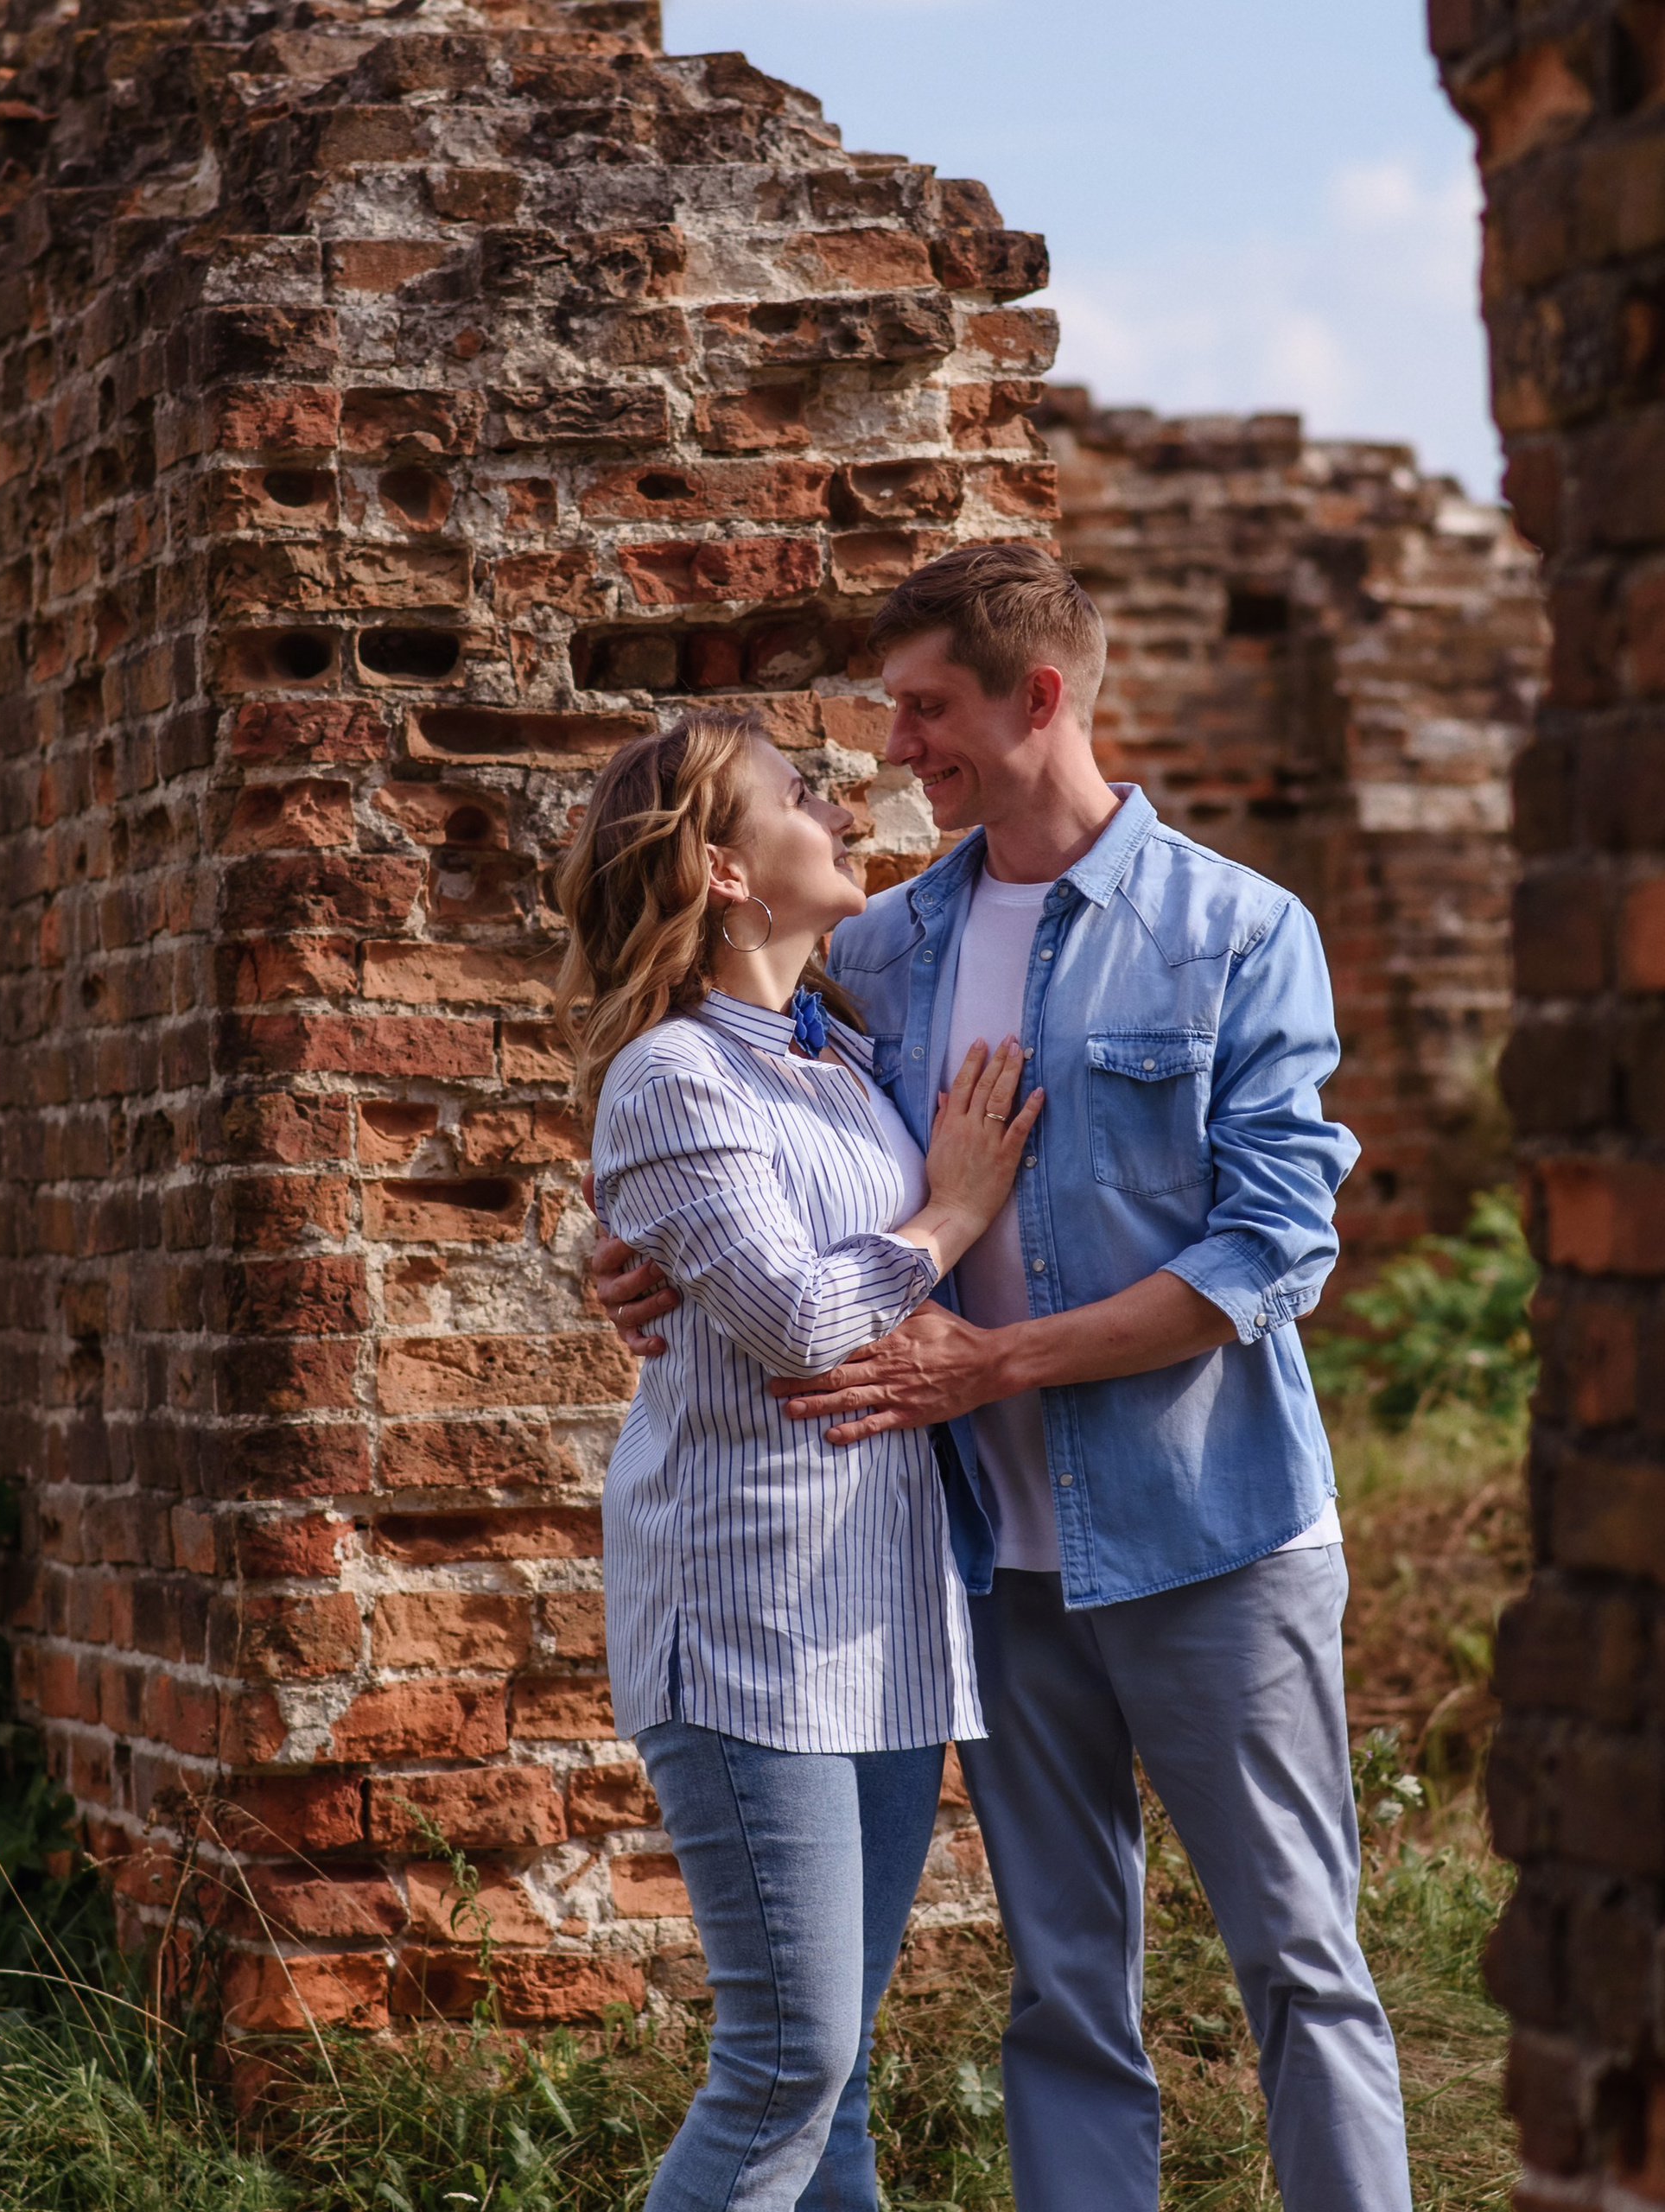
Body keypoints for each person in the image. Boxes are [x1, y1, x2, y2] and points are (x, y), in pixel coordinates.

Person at [591, 547, 1414, 2211]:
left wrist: (996, 1361)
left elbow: (1275, 1255)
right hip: (995, 1574)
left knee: (1303, 1974)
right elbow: (748, 1143)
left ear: (1039, 699)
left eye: (928, 709)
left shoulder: (1241, 931)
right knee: (1064, 1999)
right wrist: (622, 1248)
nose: (899, 750)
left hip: (1217, 1540)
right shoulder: (883, 954)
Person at [557, 706, 1043, 2212]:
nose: (836, 802)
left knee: (829, 2079)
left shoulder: (837, 1058)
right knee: (783, 2060)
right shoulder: (672, 1074)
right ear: (722, 870)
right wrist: (949, 1216)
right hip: (749, 1616)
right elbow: (797, 1319)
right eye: (794, 793)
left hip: (889, 1614)